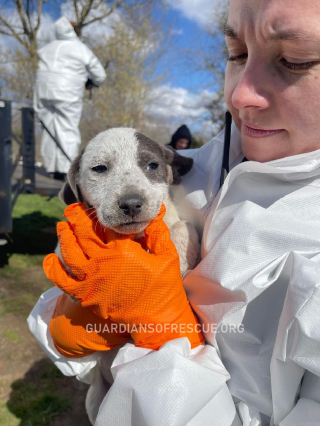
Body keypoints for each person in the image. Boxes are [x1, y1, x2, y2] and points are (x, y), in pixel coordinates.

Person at [28, 0, 320, 425]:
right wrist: (64, 323)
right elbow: (72, 308)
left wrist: (163, 337)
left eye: (295, 60)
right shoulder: (187, 169)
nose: (240, 95)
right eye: (235, 53)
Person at [33, 16, 106, 180]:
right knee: (67, 128)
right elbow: (100, 74)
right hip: (67, 93)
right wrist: (91, 82)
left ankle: (52, 168)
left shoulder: (48, 48)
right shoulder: (80, 48)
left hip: (42, 92)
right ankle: (67, 170)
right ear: (74, 32)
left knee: (49, 128)